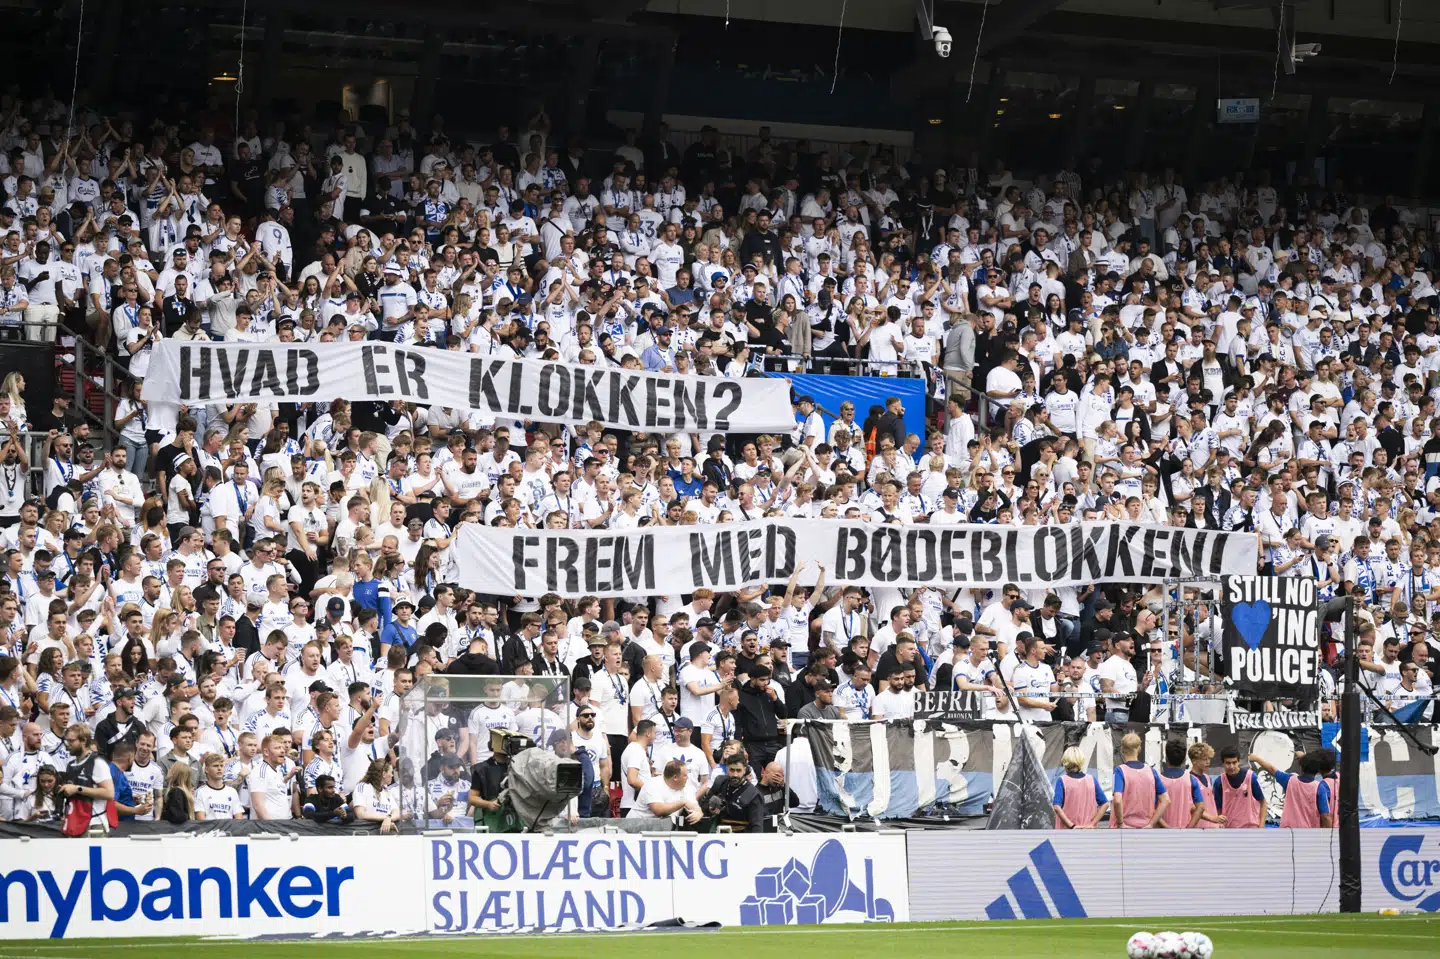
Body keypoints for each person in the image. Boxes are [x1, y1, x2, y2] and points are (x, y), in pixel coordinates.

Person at [1250, 748, 1333, 828]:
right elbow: (1325, 816)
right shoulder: (1319, 788)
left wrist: (1256, 759)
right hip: (1308, 833)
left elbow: (1271, 769)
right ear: (1317, 770)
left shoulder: (1289, 780)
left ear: (1301, 767)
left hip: (1287, 831)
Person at [1111, 732, 1169, 828]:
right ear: (1139, 749)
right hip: (1145, 828)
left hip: (1125, 829)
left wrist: (1121, 824)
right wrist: (1151, 824)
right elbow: (1166, 800)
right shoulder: (1151, 771)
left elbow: (1117, 800)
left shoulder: (1119, 771)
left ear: (1122, 750)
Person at [627, 758, 702, 824]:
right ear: (675, 777)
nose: (687, 778)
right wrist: (683, 802)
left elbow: (694, 806)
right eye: (685, 775)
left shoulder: (686, 787)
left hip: (661, 829)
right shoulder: (652, 784)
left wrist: (698, 813)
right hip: (635, 827)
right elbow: (659, 810)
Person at [1052, 746, 1109, 829]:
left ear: (1065, 762)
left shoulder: (1062, 781)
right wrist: (1092, 824)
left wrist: (1072, 826)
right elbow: (1105, 804)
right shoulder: (1091, 780)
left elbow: (1057, 807)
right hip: (1088, 831)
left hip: (1066, 832)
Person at [1213, 746, 1268, 828]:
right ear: (1223, 763)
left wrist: (1261, 826)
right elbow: (1218, 809)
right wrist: (1220, 825)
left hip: (1251, 829)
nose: (1231, 766)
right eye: (1228, 763)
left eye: (1234, 762)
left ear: (1239, 761)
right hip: (1229, 829)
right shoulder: (1219, 782)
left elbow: (1263, 803)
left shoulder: (1251, 777)